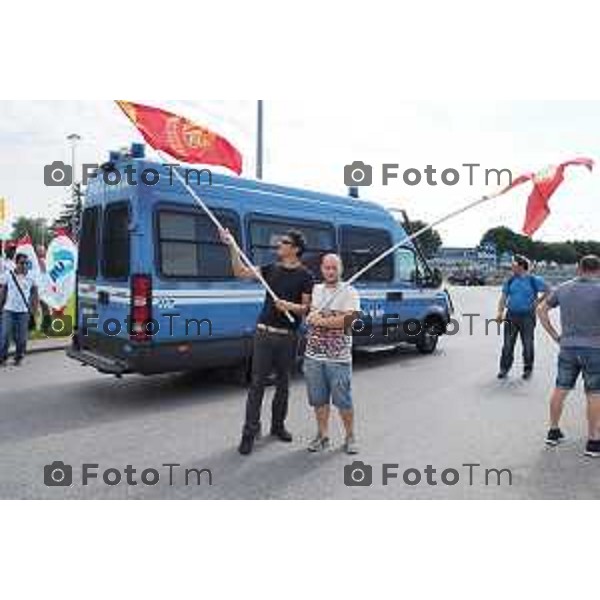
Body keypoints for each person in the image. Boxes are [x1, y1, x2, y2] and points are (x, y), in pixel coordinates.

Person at [220, 228, 313, 456]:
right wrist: (232, 246)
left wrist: (288, 306)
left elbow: (306, 309)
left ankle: (278, 427)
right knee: (257, 385)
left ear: (295, 249)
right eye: (280, 241)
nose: (279, 244)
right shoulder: (270, 269)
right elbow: (240, 272)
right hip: (264, 333)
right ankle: (249, 433)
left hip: (288, 337)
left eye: (284, 242)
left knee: (283, 384)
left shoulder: (306, 276)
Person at [537, 255, 600, 458]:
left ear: (579, 268)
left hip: (568, 348)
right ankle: (593, 441)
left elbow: (541, 310)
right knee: (594, 394)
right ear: (598, 270)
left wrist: (555, 335)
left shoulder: (563, 288)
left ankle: (553, 431)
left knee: (560, 389)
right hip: (594, 349)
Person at [304, 254, 361, 454]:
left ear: (340, 269)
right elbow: (312, 315)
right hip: (314, 356)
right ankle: (323, 435)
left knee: (343, 401)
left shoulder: (350, 292)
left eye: (334, 268)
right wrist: (314, 316)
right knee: (318, 400)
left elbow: (349, 321)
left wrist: (320, 321)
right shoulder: (317, 290)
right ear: (321, 269)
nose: (330, 271)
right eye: (327, 267)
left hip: (339, 358)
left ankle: (350, 436)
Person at [496, 255, 548, 380]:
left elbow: (549, 290)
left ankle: (528, 369)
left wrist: (539, 301)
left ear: (521, 266)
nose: (512, 268)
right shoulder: (510, 280)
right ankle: (504, 368)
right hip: (511, 315)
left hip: (527, 316)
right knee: (508, 344)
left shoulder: (533, 280)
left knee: (528, 343)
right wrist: (499, 312)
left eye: (513, 266)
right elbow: (503, 298)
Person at [0, 252, 39, 366]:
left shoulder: (31, 277)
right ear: (16, 263)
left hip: (24, 312)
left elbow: (35, 294)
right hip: (8, 310)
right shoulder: (8, 275)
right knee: (5, 336)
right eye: (22, 263)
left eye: (27, 263)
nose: (25, 265)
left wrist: (35, 310)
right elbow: (3, 291)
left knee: (22, 338)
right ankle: (2, 358)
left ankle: (19, 357)